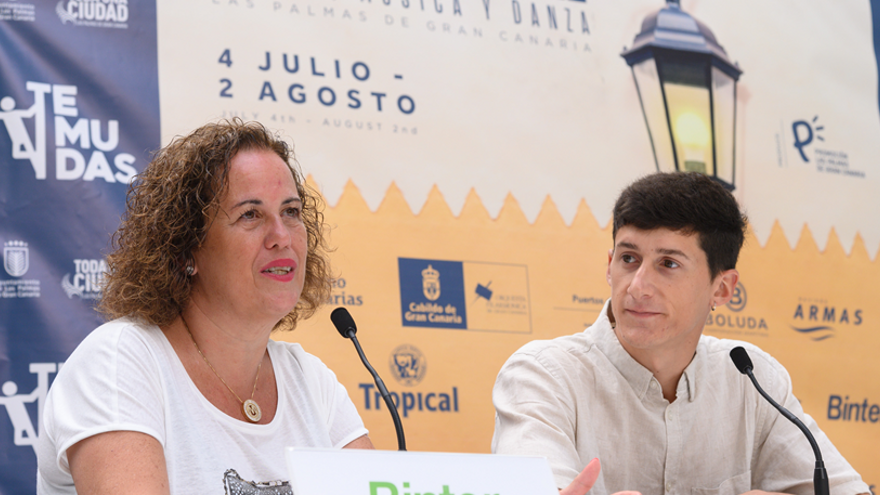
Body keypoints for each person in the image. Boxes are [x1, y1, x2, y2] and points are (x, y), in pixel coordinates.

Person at [36, 119, 372, 494]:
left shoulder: (311, 381)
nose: (282, 237)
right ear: (185, 250)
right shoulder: (119, 363)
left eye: (291, 212)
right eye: (250, 215)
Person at [492, 172, 869, 495]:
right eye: (629, 259)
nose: (638, 286)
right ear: (609, 266)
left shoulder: (752, 378)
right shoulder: (542, 374)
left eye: (668, 264)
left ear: (721, 289)